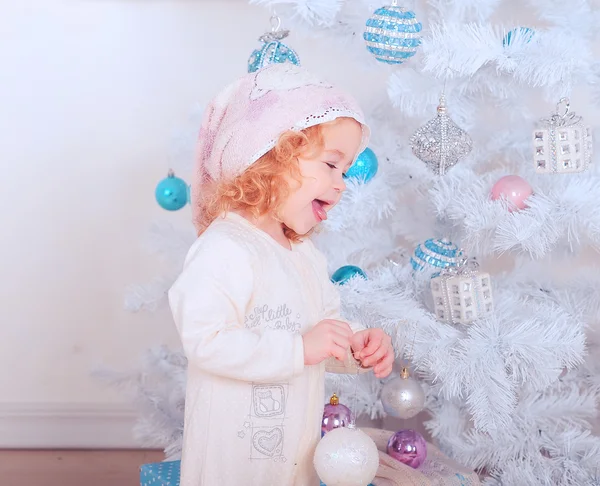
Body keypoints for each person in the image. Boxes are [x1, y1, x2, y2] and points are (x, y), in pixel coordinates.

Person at [168, 63, 394, 486]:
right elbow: (205, 340)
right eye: (331, 164)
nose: (342, 183)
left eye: (345, 172)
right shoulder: (226, 247)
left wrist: (355, 344)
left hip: (294, 458)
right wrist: (298, 349)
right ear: (272, 158)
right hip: (231, 462)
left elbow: (323, 331)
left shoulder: (305, 256)